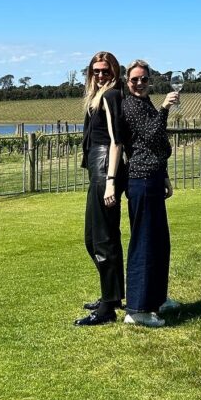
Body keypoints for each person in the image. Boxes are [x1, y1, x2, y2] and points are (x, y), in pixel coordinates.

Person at [121, 60, 180, 328]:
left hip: (153, 177)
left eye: (144, 79)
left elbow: (157, 146)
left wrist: (164, 175)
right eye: (135, 79)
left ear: (150, 80)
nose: (140, 84)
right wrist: (165, 108)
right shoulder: (131, 105)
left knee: (159, 242)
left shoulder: (144, 103)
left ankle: (157, 298)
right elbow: (152, 134)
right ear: (127, 81)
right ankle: (137, 310)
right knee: (144, 244)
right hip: (141, 180)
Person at [74, 50, 127, 327]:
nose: (101, 75)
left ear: (114, 71)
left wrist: (110, 181)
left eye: (106, 71)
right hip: (98, 166)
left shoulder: (111, 96)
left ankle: (108, 306)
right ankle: (112, 295)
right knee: (93, 238)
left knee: (103, 239)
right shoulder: (98, 96)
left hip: (105, 167)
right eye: (96, 71)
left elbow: (116, 140)